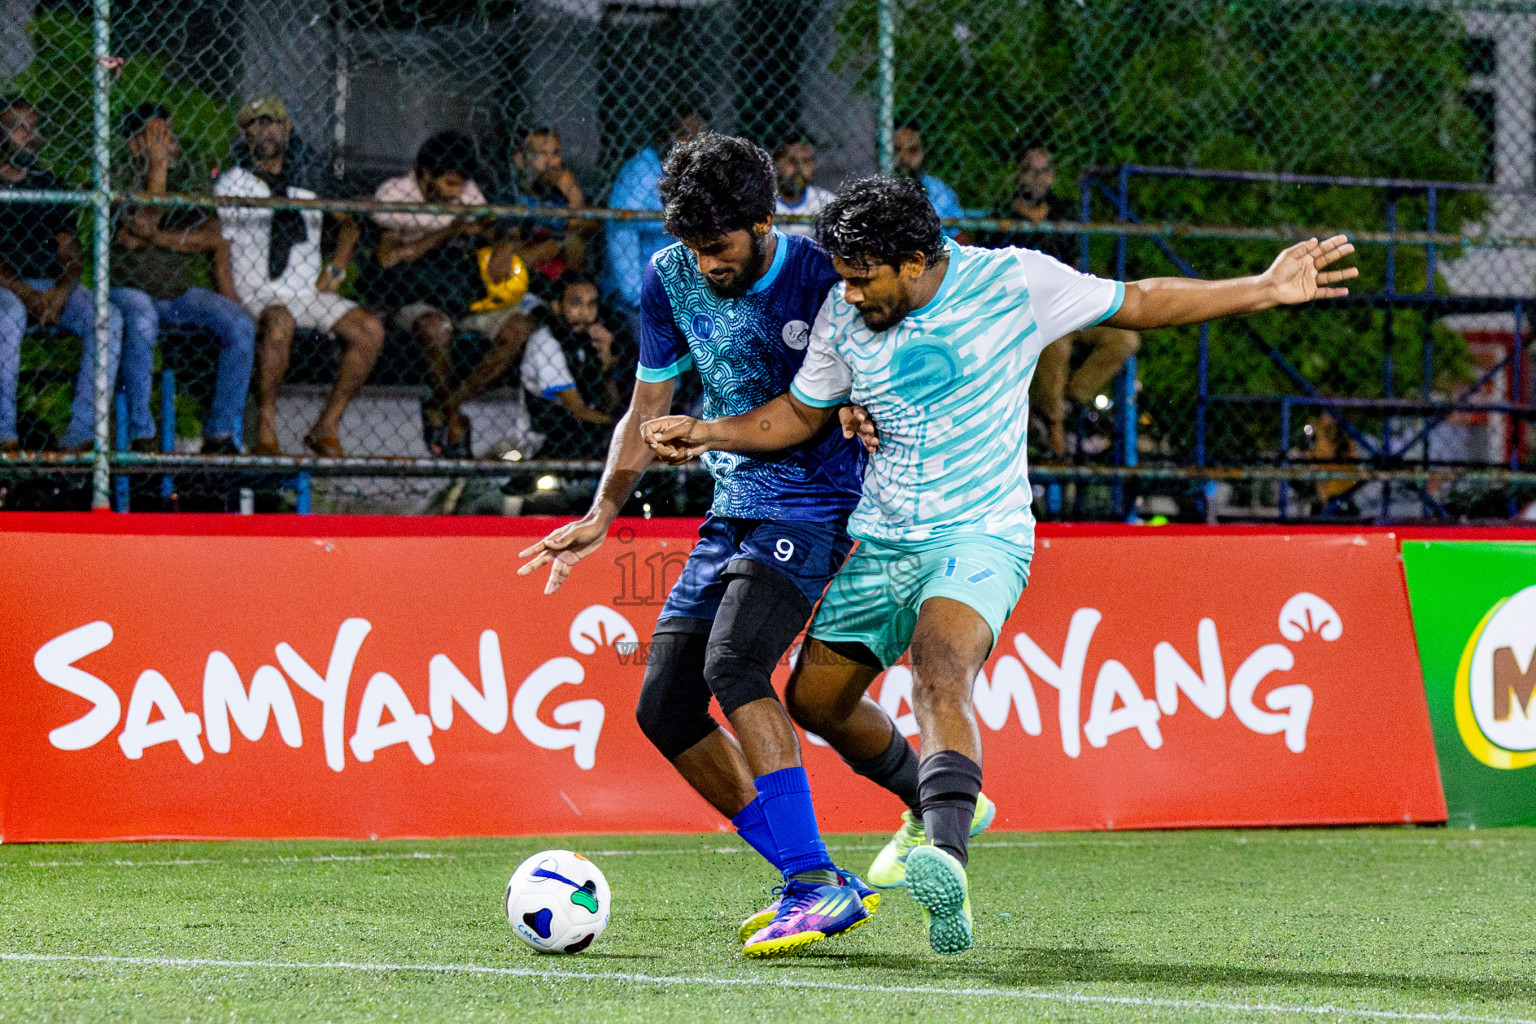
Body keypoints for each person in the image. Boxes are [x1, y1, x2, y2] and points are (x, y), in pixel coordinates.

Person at [642, 175, 1358, 954]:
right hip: (882, 538)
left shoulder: (1015, 282)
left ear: (915, 260)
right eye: (841, 277)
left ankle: (945, 855)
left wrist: (1262, 287)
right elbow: (801, 414)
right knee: (814, 701)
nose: (845, 294)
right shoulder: (842, 317)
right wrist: (712, 432)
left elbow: (1142, 300)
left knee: (940, 668)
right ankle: (927, 800)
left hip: (979, 535)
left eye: (861, 278)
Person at [518, 134, 891, 958]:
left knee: (736, 664)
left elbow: (886, 368)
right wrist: (600, 513)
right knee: (665, 707)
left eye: (717, 245)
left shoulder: (819, 272)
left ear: (763, 222)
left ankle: (813, 883)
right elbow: (645, 405)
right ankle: (815, 877)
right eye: (689, 243)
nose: (704, 262)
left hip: (818, 504)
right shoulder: (671, 276)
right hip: (734, 508)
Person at [214, 95, 384, 458]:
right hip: (258, 291)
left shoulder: (309, 179)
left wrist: (335, 270)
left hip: (307, 292)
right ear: (243, 134)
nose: (265, 130)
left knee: (369, 330)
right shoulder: (235, 182)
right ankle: (267, 429)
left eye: (272, 122)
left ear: (287, 128)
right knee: (279, 322)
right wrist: (229, 299)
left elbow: (350, 225)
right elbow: (221, 244)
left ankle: (327, 424)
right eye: (255, 124)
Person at [371, 131, 534, 458]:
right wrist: (448, 231)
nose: (457, 191)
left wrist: (504, 244)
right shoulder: (395, 193)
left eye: (460, 184)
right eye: (448, 183)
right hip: (413, 292)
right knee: (436, 329)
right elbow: (387, 259)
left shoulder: (467, 191)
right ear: (425, 174)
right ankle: (455, 421)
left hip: (461, 289)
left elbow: (497, 225)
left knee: (519, 330)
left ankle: (443, 406)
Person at [110, 103, 255, 455]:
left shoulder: (188, 172)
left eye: (170, 136)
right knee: (142, 321)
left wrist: (156, 236)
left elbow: (212, 235)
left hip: (178, 295)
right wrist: (156, 169)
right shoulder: (120, 172)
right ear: (135, 143)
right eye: (158, 136)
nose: (170, 145)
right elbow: (139, 227)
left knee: (240, 325)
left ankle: (220, 435)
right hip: (129, 292)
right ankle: (142, 434)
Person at [982, 144, 1140, 458]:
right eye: (1030, 170)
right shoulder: (1001, 216)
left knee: (1125, 339)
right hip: (1027, 312)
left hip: (1067, 305)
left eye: (1044, 171)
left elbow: (1074, 266)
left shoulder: (1064, 214)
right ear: (1019, 174)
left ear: (1052, 176)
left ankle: (1070, 402)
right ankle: (1056, 434)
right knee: (1058, 343)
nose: (1037, 178)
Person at [0, 96, 122, 453]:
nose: (30, 136)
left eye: (33, 128)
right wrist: (26, 293)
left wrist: (62, 290)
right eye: (18, 128)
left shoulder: (49, 182)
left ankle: (81, 437)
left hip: (52, 287)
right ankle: (5, 435)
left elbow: (69, 249)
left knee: (108, 318)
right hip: (8, 288)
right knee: (8, 315)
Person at [601, 110, 706, 338]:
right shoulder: (642, 170)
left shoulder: (697, 174)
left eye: (700, 136)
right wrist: (638, 297)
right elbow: (621, 235)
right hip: (637, 287)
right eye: (684, 135)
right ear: (664, 137)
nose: (693, 143)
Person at [524, 275, 630, 457]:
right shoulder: (546, 343)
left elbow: (609, 403)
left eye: (591, 305)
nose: (585, 313)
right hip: (549, 430)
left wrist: (606, 364)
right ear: (557, 307)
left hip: (586, 428)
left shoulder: (588, 341)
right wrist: (622, 426)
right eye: (576, 304)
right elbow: (577, 409)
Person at [500, 127, 595, 286]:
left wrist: (573, 193)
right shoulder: (512, 193)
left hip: (564, 266)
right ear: (519, 160)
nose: (551, 161)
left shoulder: (563, 188)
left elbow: (579, 226)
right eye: (542, 154)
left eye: (556, 153)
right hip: (529, 271)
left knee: (575, 242)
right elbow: (513, 241)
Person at [893, 123, 964, 239]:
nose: (905, 158)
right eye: (898, 150)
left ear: (923, 151)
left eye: (912, 150)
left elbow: (959, 235)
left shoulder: (938, 189)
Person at [773, 137, 833, 237]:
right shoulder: (762, 200)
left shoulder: (824, 200)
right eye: (791, 161)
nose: (798, 169)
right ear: (776, 161)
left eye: (805, 161)